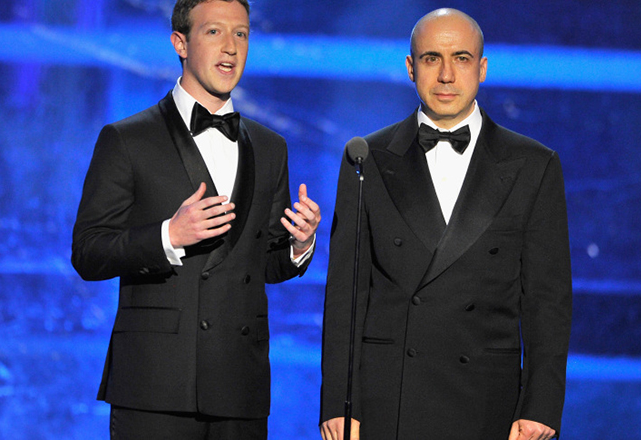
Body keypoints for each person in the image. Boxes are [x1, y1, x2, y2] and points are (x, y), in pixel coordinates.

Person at [72, 0, 321, 438]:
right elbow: (88, 252)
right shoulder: (126, 139)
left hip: (239, 387)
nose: (230, 47)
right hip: (155, 384)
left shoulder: (270, 147)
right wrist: (168, 235)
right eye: (214, 32)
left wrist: (300, 245)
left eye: (241, 34)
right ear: (180, 43)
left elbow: (265, 264)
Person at [320, 8, 571, 440]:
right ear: (410, 67)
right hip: (389, 401)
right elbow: (346, 294)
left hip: (488, 402)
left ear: (482, 68)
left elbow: (547, 300)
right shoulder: (367, 158)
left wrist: (541, 406)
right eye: (432, 58)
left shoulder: (534, 164)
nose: (447, 75)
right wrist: (339, 403)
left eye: (461, 58)